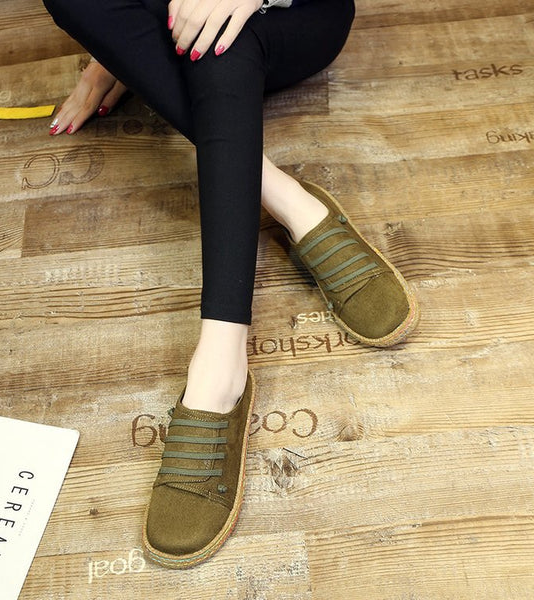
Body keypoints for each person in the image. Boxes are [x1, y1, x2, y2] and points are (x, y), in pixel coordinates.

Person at [43, 0, 418, 568]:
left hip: (294, 16)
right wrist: (112, 50)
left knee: (220, 37)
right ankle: (290, 201)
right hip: (175, 20)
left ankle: (219, 367)